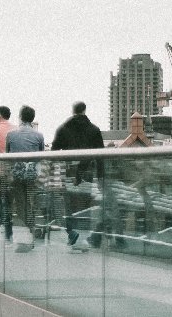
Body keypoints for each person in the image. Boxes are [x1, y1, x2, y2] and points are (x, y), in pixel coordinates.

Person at [51, 102, 103, 253]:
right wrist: (101, 177)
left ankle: (72, 234)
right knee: (85, 206)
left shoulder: (63, 128)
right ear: (84, 110)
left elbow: (54, 150)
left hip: (68, 171)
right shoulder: (94, 129)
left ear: (72, 111)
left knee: (70, 205)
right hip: (87, 170)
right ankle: (84, 240)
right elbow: (100, 156)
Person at [5, 105, 45, 253]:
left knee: (20, 205)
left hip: (16, 174)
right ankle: (31, 230)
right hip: (32, 174)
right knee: (30, 203)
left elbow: (8, 155)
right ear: (32, 119)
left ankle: (28, 231)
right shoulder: (39, 136)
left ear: (20, 117)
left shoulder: (11, 135)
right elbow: (41, 156)